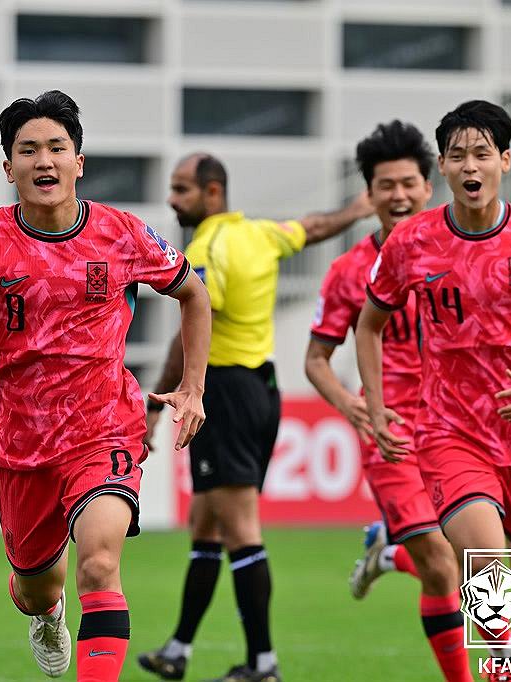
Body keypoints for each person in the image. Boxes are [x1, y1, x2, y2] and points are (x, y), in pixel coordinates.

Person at [0, 90, 211, 682]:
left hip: (105, 428)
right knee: (36, 588)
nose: (44, 161)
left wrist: (192, 388)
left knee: (99, 563)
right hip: (23, 445)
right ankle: (46, 612)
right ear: (8, 166)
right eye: (28, 150)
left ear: (79, 161)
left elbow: (193, 293)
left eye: (56, 148)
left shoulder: (121, 233)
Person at [138, 154, 373, 682]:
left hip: (224, 390)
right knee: (206, 523)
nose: (173, 200)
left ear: (213, 192)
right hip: (259, 387)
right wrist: (354, 210)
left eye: (181, 190)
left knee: (241, 529)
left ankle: (263, 663)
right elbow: (311, 229)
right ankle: (178, 648)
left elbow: (193, 327)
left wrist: (159, 400)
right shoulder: (260, 234)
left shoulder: (205, 249)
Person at [358, 99, 511, 682]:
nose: (471, 165)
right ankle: (498, 675)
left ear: (506, 161)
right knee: (492, 567)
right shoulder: (412, 243)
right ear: (442, 166)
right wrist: (378, 407)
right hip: (449, 432)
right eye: (459, 154)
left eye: (482, 154)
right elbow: (370, 325)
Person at [304, 121, 499, 682]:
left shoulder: (468, 252)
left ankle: (389, 556)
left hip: (467, 430)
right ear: (369, 195)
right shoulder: (348, 272)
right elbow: (316, 360)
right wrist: (350, 404)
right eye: (385, 186)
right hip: (394, 436)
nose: (398, 196)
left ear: (429, 185)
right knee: (443, 566)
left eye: (408, 183)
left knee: (489, 563)